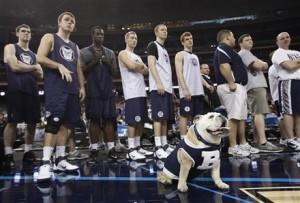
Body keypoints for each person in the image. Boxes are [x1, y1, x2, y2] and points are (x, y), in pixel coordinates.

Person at [37, 12, 85, 181]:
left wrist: (81, 87)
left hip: (72, 89)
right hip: (56, 88)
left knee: (67, 125)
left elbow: (78, 68)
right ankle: (44, 162)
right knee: (54, 122)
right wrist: (59, 66)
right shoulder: (50, 38)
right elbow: (39, 57)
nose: (70, 22)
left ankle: (60, 159)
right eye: (67, 19)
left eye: (73, 21)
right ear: (59, 22)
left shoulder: (75, 46)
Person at [3, 24, 43, 170]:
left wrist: (23, 65)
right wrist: (33, 67)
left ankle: (28, 152)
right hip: (16, 89)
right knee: (12, 122)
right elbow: (14, 66)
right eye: (23, 31)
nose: (26, 33)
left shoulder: (33, 54)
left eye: (29, 31)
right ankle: (8, 155)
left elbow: (41, 75)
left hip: (32, 90)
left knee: (32, 123)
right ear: (17, 33)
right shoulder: (11, 47)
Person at [213, 29, 259, 157]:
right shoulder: (223, 48)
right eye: (233, 37)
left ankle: (242, 143)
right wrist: (231, 82)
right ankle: (233, 147)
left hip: (238, 86)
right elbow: (224, 66)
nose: (234, 39)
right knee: (233, 117)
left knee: (241, 117)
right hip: (230, 86)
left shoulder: (229, 49)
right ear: (227, 38)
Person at [80, 26, 119, 163]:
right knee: (94, 120)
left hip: (108, 90)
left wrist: (108, 63)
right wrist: (95, 61)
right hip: (93, 90)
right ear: (92, 35)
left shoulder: (110, 52)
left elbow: (115, 73)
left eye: (102, 34)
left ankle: (111, 148)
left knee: (109, 119)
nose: (100, 36)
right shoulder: (84, 52)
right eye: (97, 34)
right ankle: (94, 149)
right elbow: (81, 70)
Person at [238, 33, 282, 152]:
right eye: (247, 40)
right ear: (241, 43)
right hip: (255, 85)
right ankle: (263, 142)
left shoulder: (248, 53)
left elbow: (264, 66)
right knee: (259, 113)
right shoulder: (244, 53)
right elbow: (259, 65)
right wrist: (263, 64)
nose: (250, 41)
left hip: (253, 86)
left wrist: (263, 65)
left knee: (256, 114)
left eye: (251, 39)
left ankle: (258, 141)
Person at [118, 31, 153, 161]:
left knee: (140, 121)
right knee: (133, 121)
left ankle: (138, 146)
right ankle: (131, 149)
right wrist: (140, 67)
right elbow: (132, 66)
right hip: (131, 92)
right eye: (132, 38)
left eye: (136, 38)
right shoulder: (123, 53)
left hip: (141, 91)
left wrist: (139, 67)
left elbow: (147, 71)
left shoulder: (137, 55)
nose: (134, 40)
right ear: (126, 39)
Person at [175, 32, 213, 139]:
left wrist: (206, 85)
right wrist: (185, 89)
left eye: (191, 38)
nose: (190, 40)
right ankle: (183, 139)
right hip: (187, 91)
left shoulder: (195, 56)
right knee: (184, 115)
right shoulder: (180, 54)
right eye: (187, 39)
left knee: (197, 117)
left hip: (198, 91)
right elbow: (179, 73)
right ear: (182, 42)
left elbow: (198, 74)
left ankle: (197, 137)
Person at [147, 24, 174, 159]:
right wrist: (158, 83)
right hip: (159, 87)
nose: (165, 31)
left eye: (166, 30)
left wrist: (170, 87)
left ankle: (164, 144)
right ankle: (157, 147)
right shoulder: (153, 45)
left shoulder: (164, 49)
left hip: (166, 87)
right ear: (156, 32)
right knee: (158, 117)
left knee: (164, 119)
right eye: (162, 29)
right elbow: (151, 64)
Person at [271, 32, 300, 150]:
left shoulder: (297, 53)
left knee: (298, 112)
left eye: (287, 37)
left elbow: (293, 65)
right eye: (282, 38)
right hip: (288, 82)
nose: (285, 39)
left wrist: (296, 62)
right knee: (288, 112)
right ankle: (290, 139)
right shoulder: (278, 53)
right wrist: (296, 63)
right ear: (277, 42)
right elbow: (290, 67)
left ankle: (298, 138)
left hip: (298, 81)